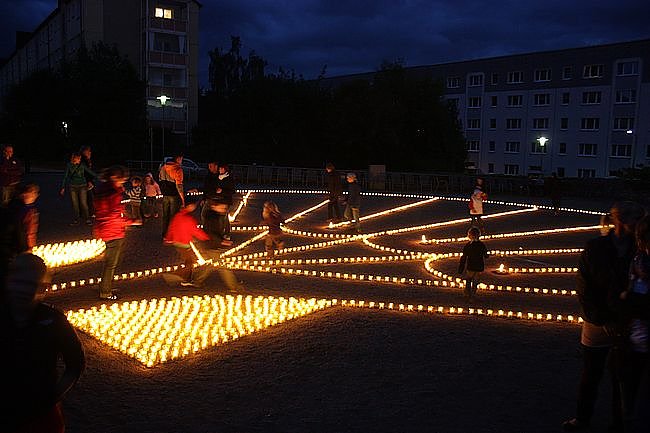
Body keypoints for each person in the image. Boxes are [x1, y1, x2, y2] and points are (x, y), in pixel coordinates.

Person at [563, 201, 646, 432]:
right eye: (636, 219)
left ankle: (619, 422)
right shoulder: (595, 248)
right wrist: (601, 319)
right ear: (620, 219)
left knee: (622, 376)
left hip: (627, 323)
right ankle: (582, 418)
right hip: (597, 323)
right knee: (591, 373)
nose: (640, 224)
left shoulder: (640, 250)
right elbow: (585, 289)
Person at [1, 252, 85, 433]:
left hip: (40, 410)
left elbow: (75, 363)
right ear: (8, 281)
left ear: (43, 289)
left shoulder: (54, 321)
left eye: (30, 284)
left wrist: (53, 397)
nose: (22, 290)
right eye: (18, 282)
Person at [618, 214, 650, 432]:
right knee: (629, 404)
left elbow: (629, 300)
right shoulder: (636, 263)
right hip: (632, 345)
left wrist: (629, 299)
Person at [93, 165, 134, 300]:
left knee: (110, 262)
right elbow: (113, 216)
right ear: (114, 177)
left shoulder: (103, 189)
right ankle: (105, 292)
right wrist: (131, 221)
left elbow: (101, 212)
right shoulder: (113, 194)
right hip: (113, 231)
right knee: (110, 264)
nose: (123, 182)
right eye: (122, 180)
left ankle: (106, 286)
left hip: (105, 229)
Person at [163, 195, 210, 287]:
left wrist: (168, 238)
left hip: (177, 241)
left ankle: (187, 278)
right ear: (189, 206)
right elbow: (195, 231)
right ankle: (179, 275)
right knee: (190, 262)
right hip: (184, 242)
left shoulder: (178, 215)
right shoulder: (188, 218)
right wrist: (206, 237)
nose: (194, 207)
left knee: (189, 261)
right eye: (193, 205)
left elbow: (171, 227)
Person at [60, 151, 96, 226]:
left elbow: (90, 172)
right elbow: (65, 176)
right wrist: (63, 187)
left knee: (83, 203)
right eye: (78, 159)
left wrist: (99, 177)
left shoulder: (82, 165)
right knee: (75, 204)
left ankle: (87, 219)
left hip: (82, 185)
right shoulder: (69, 165)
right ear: (74, 159)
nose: (79, 160)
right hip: (73, 186)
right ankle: (76, 219)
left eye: (80, 159)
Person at [457, 226, 489, 300]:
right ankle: (472, 295)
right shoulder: (481, 245)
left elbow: (464, 257)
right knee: (475, 282)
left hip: (471, 266)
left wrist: (461, 268)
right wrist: (486, 255)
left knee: (468, 280)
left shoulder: (468, 245)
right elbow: (486, 255)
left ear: (469, 235)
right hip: (479, 267)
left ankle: (467, 294)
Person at [158, 152, 185, 239]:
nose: (181, 161)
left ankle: (164, 234)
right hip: (174, 195)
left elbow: (159, 179)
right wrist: (183, 199)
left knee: (165, 215)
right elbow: (179, 186)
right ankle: (171, 235)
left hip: (165, 195)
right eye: (181, 159)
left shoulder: (163, 167)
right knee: (173, 216)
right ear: (178, 159)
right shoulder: (178, 169)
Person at [8, 182, 40, 251]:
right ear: (24, 194)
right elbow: (28, 230)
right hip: (19, 244)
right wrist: (29, 246)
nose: (35, 195)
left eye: (36, 193)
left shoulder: (29, 209)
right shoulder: (21, 209)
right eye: (33, 193)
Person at [215, 163, 236, 245]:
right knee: (225, 218)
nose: (220, 170)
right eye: (219, 168)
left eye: (221, 168)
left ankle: (224, 234)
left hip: (226, 201)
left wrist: (222, 191)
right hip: (219, 200)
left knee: (222, 218)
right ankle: (226, 233)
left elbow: (232, 191)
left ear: (225, 169)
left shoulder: (229, 178)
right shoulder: (218, 177)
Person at [79, 145, 95, 217]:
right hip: (85, 182)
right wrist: (88, 181)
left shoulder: (87, 160)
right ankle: (89, 213)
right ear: (84, 152)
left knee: (88, 197)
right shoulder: (83, 160)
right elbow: (85, 172)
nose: (90, 152)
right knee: (89, 197)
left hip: (87, 181)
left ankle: (85, 212)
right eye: (88, 151)